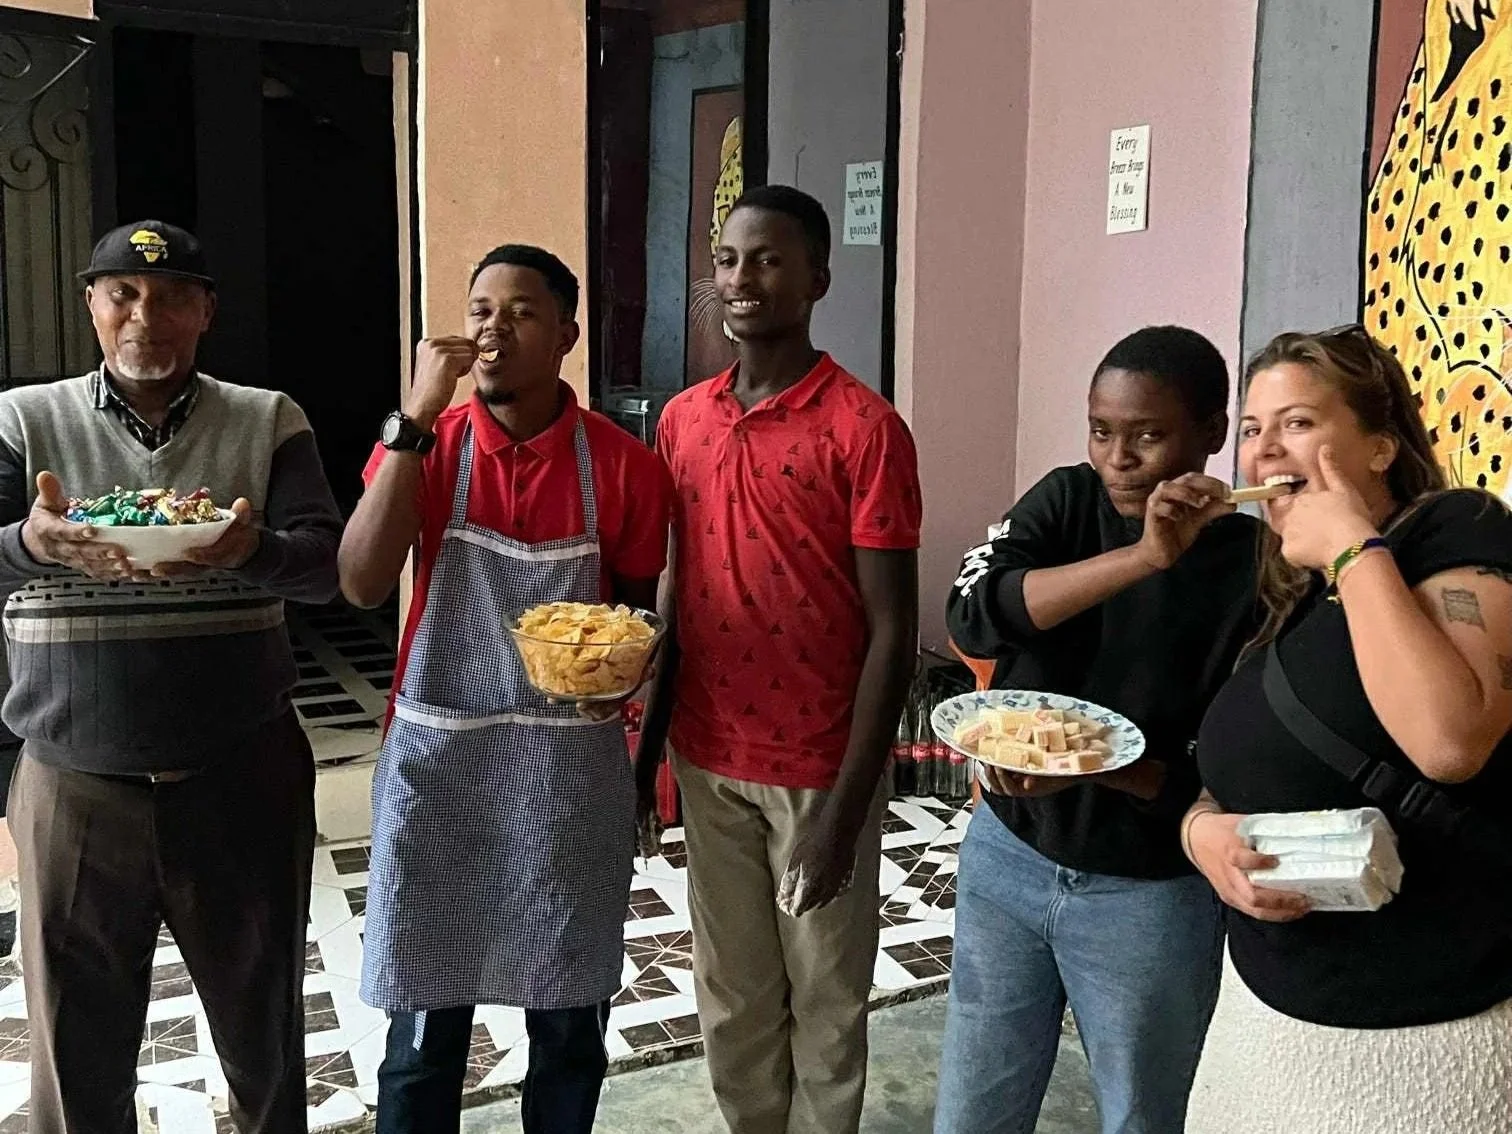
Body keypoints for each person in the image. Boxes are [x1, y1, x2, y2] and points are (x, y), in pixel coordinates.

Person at [0, 219, 342, 1132]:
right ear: (91, 306)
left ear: (205, 313)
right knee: (75, 1052)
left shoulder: (269, 418)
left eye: (170, 297)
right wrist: (30, 542)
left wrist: (249, 550)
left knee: (262, 1036)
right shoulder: (22, 419)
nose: (144, 315)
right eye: (122, 295)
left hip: (242, 775)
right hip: (76, 784)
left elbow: (326, 566)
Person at [340, 244, 673, 1134]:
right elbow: (361, 582)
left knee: (567, 1030)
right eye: (481, 309)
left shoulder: (623, 467)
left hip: (565, 783)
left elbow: (635, 619)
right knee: (421, 1042)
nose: (494, 329)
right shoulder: (429, 446)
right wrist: (412, 416)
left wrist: (624, 690)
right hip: (438, 775)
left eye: (521, 312)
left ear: (565, 334)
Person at [636, 185, 921, 1134]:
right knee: (732, 992)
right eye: (726, 260)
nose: (741, 279)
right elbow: (676, 592)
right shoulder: (681, 421)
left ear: (817, 280)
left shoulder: (863, 428)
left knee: (828, 999)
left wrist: (847, 808)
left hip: (817, 768)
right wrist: (647, 757)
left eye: (766, 259)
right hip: (707, 755)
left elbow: (892, 626)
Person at [1184, 326, 1512, 1134]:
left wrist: (1352, 549)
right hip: (1264, 1010)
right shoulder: (1285, 590)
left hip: (1422, 1028)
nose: (1265, 451)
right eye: (1253, 431)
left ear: (1379, 446)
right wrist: (1202, 838)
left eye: (1296, 422)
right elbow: (1226, 769)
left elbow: (1451, 741)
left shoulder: (1455, 531)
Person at [936, 327, 1262, 1134]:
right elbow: (975, 618)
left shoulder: (1254, 565)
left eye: (1149, 435)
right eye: (1101, 430)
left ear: (1211, 435)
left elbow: (1222, 772)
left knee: (1143, 1111)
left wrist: (1090, 769)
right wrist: (1143, 557)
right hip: (1009, 854)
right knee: (976, 1103)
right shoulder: (1066, 500)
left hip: (1148, 893)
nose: (1119, 457)